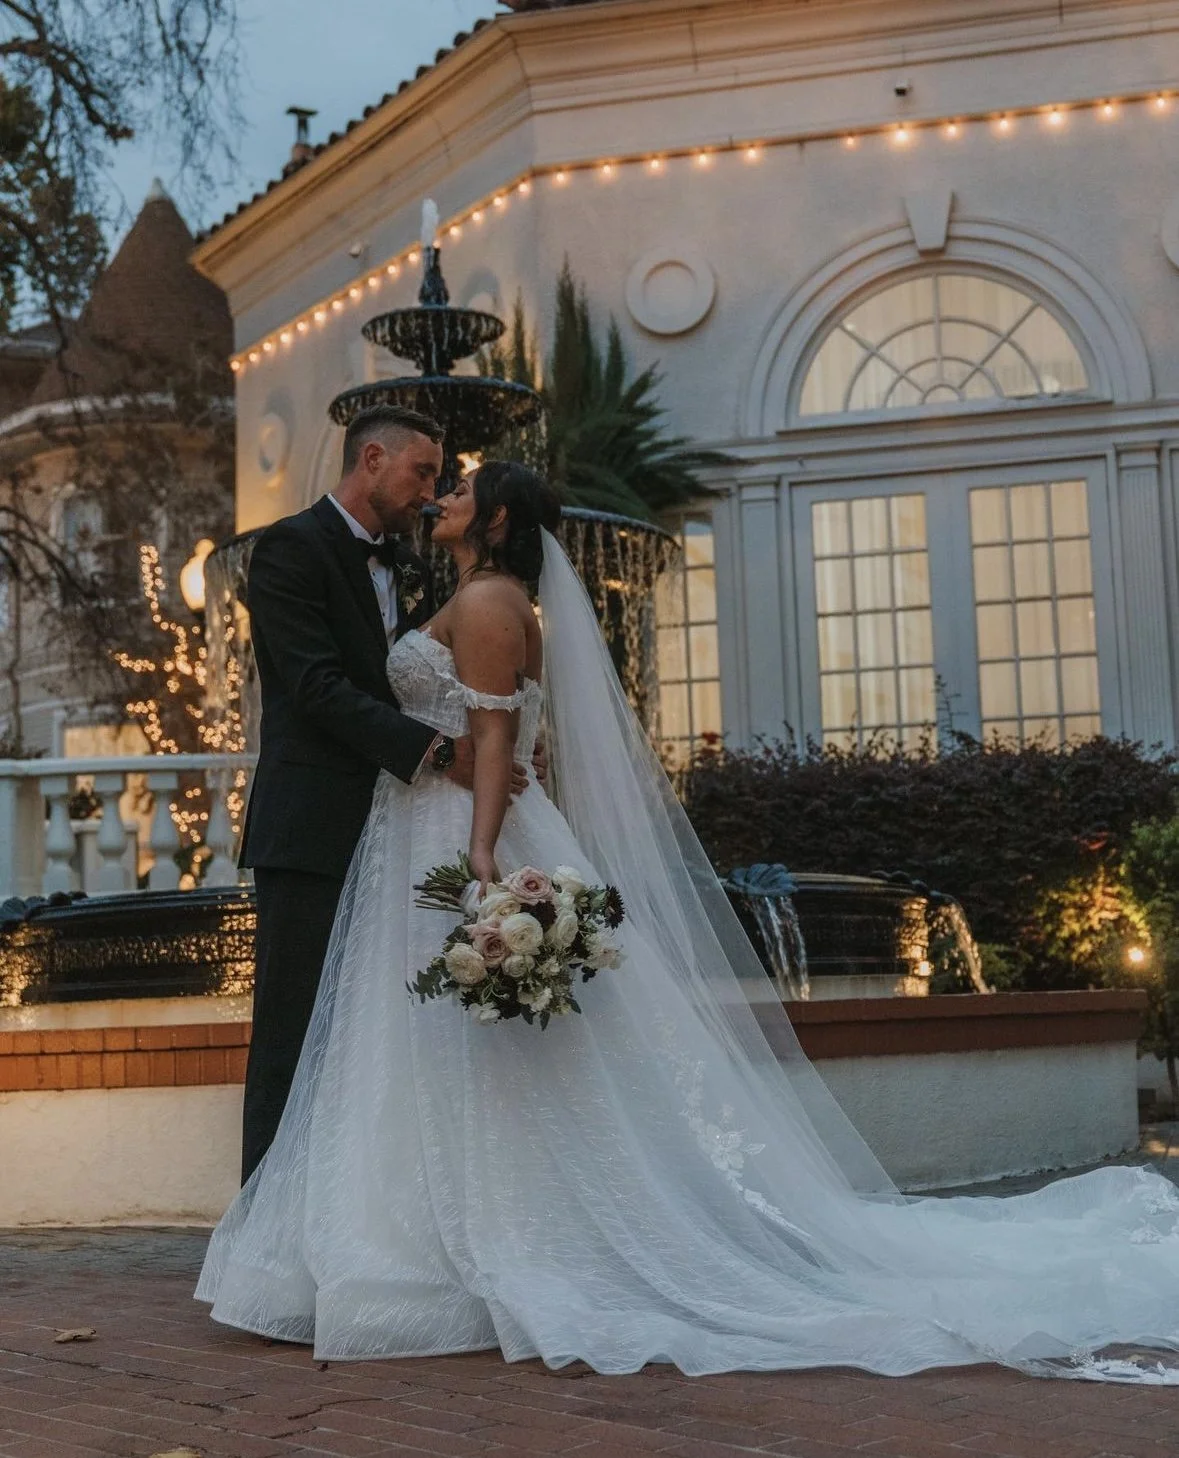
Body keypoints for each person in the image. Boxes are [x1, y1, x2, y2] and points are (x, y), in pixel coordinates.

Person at [200, 460, 1179, 1383]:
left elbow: (494, 735)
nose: (444, 493)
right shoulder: (467, 593)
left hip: (464, 828)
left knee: (473, 1052)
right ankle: (404, 1234)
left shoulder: (495, 602)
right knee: (411, 1047)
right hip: (420, 829)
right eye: (437, 479)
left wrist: (488, 853)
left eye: (461, 489)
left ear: (496, 521)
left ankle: (478, 1241)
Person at [236, 405, 530, 1181]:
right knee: (292, 1034)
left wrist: (492, 754)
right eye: (422, 473)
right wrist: (442, 753)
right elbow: (314, 688)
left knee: (369, 1037)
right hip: (310, 829)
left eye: (440, 479)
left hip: (391, 830)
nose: (431, 493)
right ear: (372, 459)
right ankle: (266, 1230)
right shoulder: (288, 550)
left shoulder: (410, 565)